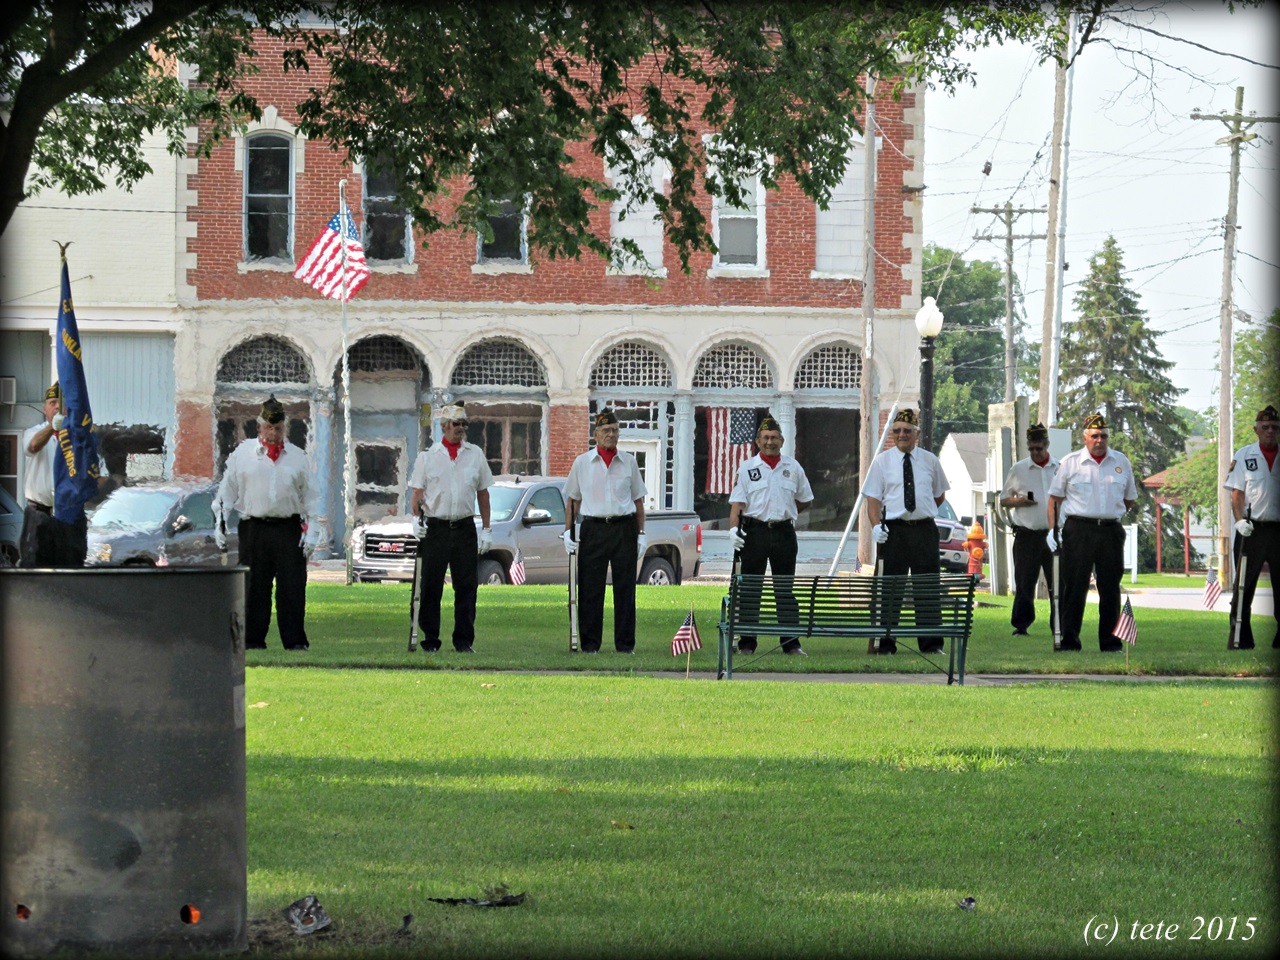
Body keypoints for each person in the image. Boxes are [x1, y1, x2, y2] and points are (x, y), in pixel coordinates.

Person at [215, 395, 314, 650]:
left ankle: (294, 641)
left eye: (278, 428)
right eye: (269, 427)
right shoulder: (243, 454)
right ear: (259, 426)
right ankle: (252, 640)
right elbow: (227, 491)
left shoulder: (298, 456)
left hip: (288, 527)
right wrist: (221, 522)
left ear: (285, 428)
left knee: (292, 586)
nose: (273, 433)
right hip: (254, 526)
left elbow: (312, 496)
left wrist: (315, 529)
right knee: (254, 587)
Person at [1046, 413, 1137, 652]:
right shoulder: (1070, 462)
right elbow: (1054, 499)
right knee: (1074, 588)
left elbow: (1129, 499)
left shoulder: (1121, 462)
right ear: (1085, 437)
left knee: (1110, 588)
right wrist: (1052, 530)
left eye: (1104, 435)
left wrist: (1109, 513)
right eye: (1095, 435)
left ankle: (1110, 642)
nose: (1100, 440)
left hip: (1110, 531)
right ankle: (1069, 640)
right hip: (1079, 530)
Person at [407, 402, 494, 653]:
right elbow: (417, 495)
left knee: (467, 587)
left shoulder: (475, 454)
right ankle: (430, 640)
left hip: (464, 527)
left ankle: (464, 641)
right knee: (431, 587)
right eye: (456, 424)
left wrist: (487, 529)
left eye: (464, 424)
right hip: (436, 528)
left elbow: (483, 494)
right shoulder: (428, 457)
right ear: (444, 426)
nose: (461, 429)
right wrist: (415, 520)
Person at [862, 408, 949, 654]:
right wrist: (877, 525)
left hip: (924, 531)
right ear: (892, 433)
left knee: (928, 588)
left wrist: (920, 512)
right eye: (898, 431)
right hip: (894, 532)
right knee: (891, 590)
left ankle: (931, 645)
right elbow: (873, 500)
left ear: (916, 434)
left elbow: (938, 495)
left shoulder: (930, 460)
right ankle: (886, 644)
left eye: (907, 431)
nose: (902, 435)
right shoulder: (882, 462)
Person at [727, 414, 815, 655]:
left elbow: (805, 500)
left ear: (782, 441)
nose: (770, 442)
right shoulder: (747, 468)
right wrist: (734, 529)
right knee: (750, 590)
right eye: (765, 437)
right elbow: (737, 504)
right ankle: (747, 643)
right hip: (754, 532)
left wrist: (785, 512)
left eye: (774, 437)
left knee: (784, 589)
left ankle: (791, 643)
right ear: (757, 441)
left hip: (784, 534)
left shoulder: (793, 467)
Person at [562, 409, 646, 653]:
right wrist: (568, 532)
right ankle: (590, 644)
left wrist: (642, 534)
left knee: (625, 589)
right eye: (606, 431)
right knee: (589, 589)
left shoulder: (629, 461)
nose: (611, 434)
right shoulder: (582, 463)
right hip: (594, 529)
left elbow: (638, 501)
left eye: (615, 430)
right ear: (595, 435)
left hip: (623, 528)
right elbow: (573, 501)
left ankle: (625, 645)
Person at [1224, 403, 1280, 650]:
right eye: (1265, 427)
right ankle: (1240, 638)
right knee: (1243, 586)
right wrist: (1238, 521)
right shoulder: (1244, 455)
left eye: (1275, 427)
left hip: (1278, 531)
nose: (1270, 431)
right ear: (1256, 429)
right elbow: (1237, 493)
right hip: (1252, 529)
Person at [999, 422, 1059, 636]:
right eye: (1031, 448)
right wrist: (1019, 502)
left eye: (1039, 448)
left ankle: (1059, 625)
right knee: (1025, 582)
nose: (1035, 452)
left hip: (1054, 535)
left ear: (1047, 446)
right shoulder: (1018, 469)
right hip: (1027, 534)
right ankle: (1021, 625)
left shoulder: (1059, 468)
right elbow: (1004, 500)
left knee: (1058, 584)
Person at [19, 383, 62, 566]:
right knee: (35, 566)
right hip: (39, 514)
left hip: (66, 514)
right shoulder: (33, 432)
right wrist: (53, 427)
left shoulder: (76, 436)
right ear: (45, 408)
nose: (58, 407)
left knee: (67, 566)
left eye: (61, 403)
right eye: (52, 403)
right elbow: (33, 446)